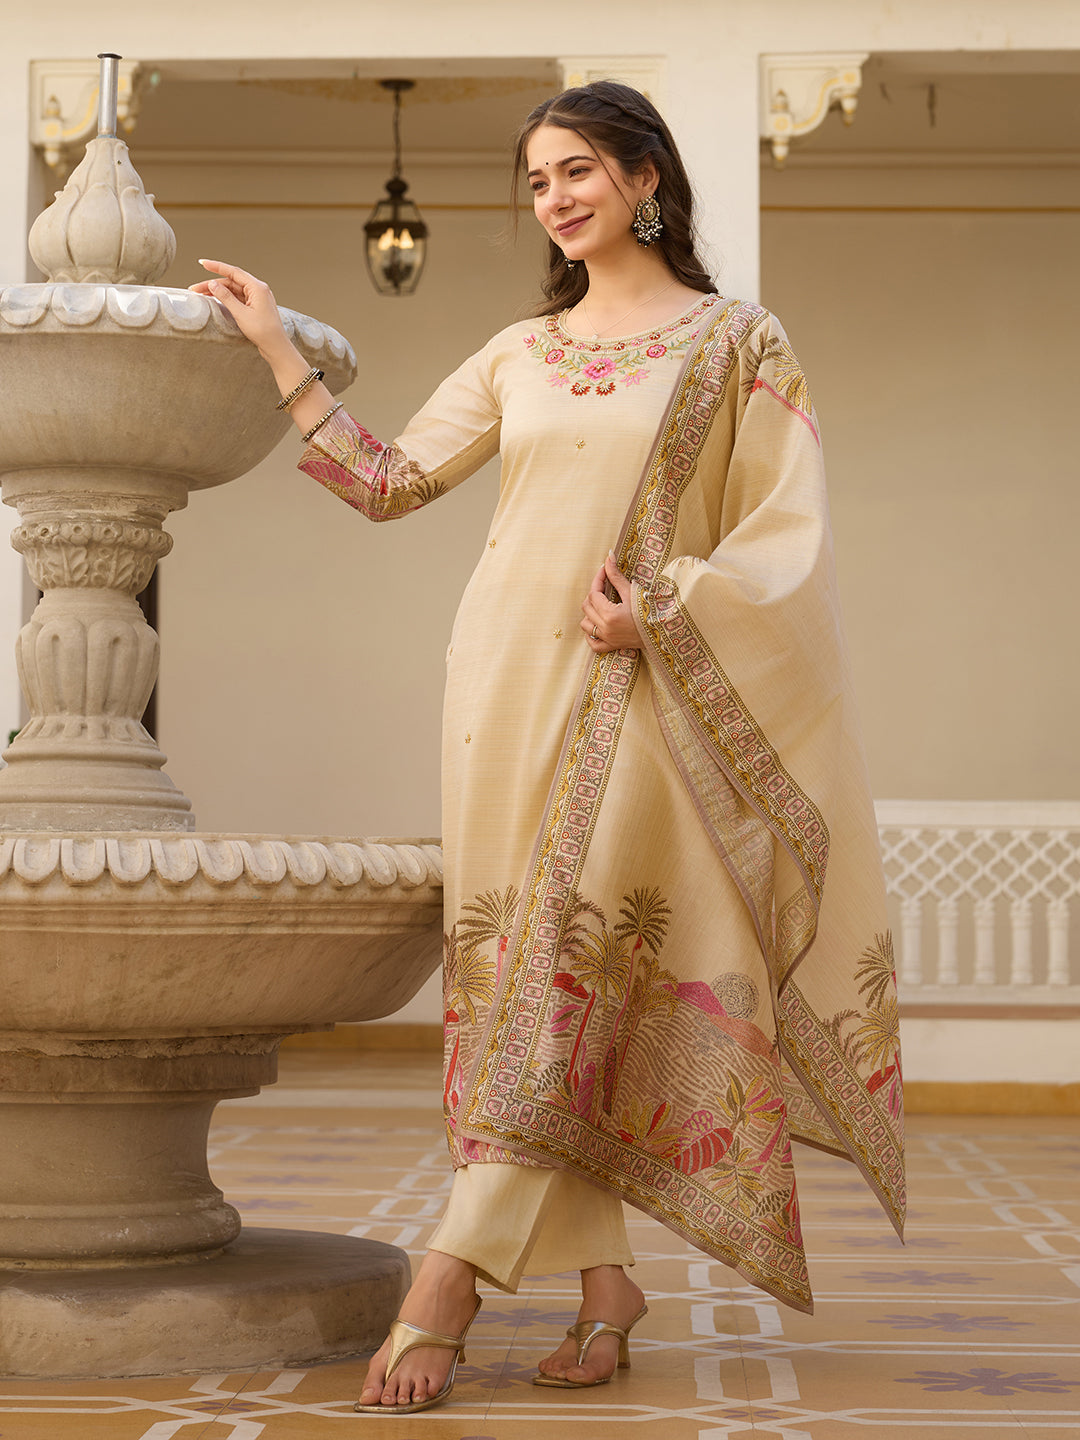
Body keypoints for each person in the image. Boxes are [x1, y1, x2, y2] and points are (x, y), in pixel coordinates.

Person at [190, 80, 905, 1416]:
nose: (557, 198)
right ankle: (603, 1286)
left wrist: (670, 613)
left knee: (574, 976)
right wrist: (281, 351)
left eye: (578, 170)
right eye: (535, 181)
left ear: (644, 177)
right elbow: (389, 481)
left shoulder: (737, 343)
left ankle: (445, 1285)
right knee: (516, 976)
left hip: (642, 692)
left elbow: (787, 540)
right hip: (501, 691)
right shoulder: (522, 351)